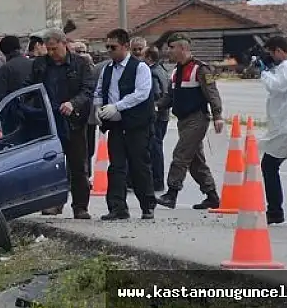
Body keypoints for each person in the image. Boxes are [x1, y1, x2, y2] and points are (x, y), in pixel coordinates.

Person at [27, 28, 96, 219]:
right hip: (49, 121)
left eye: (54, 49)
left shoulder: (80, 64)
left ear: (64, 44)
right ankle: (53, 203)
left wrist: (73, 104)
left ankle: (80, 206)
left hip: (74, 121)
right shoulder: (40, 64)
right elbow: (31, 88)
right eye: (48, 49)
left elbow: (88, 89)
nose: (51, 53)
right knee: (53, 165)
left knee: (78, 165)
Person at [155, 33, 225, 210]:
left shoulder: (200, 69)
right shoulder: (177, 70)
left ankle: (172, 193)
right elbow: (170, 96)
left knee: (181, 155)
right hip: (183, 120)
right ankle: (211, 195)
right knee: (195, 161)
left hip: (197, 119)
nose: (168, 51)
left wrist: (217, 115)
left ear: (183, 48)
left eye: (172, 48)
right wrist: (156, 107)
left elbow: (212, 93)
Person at [93, 28, 156, 220]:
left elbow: (142, 93)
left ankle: (147, 205)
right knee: (116, 166)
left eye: (113, 47)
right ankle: (117, 207)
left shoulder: (140, 68)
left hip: (137, 124)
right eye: (107, 47)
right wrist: (98, 107)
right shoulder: (108, 69)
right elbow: (99, 90)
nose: (110, 51)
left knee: (139, 165)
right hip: (116, 125)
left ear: (125, 46)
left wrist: (118, 107)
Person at [255, 36, 287, 226]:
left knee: (269, 165)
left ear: (279, 51)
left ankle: (275, 210)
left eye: (271, 54)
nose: (270, 58)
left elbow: (276, 86)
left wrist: (264, 71)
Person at [144, 46, 170, 193]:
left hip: (157, 114)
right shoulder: (162, 70)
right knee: (157, 146)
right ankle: (158, 180)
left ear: (148, 58)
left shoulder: (152, 73)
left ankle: (157, 181)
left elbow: (156, 94)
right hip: (164, 114)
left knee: (154, 148)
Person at [87, 56, 112, 182]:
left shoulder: (98, 68)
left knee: (88, 147)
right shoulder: (104, 68)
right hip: (110, 111)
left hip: (93, 113)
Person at [0, 35, 33, 105]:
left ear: (3, 51)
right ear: (19, 47)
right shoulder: (33, 64)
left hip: (15, 112)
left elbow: (0, 100)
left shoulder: (5, 69)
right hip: (36, 112)